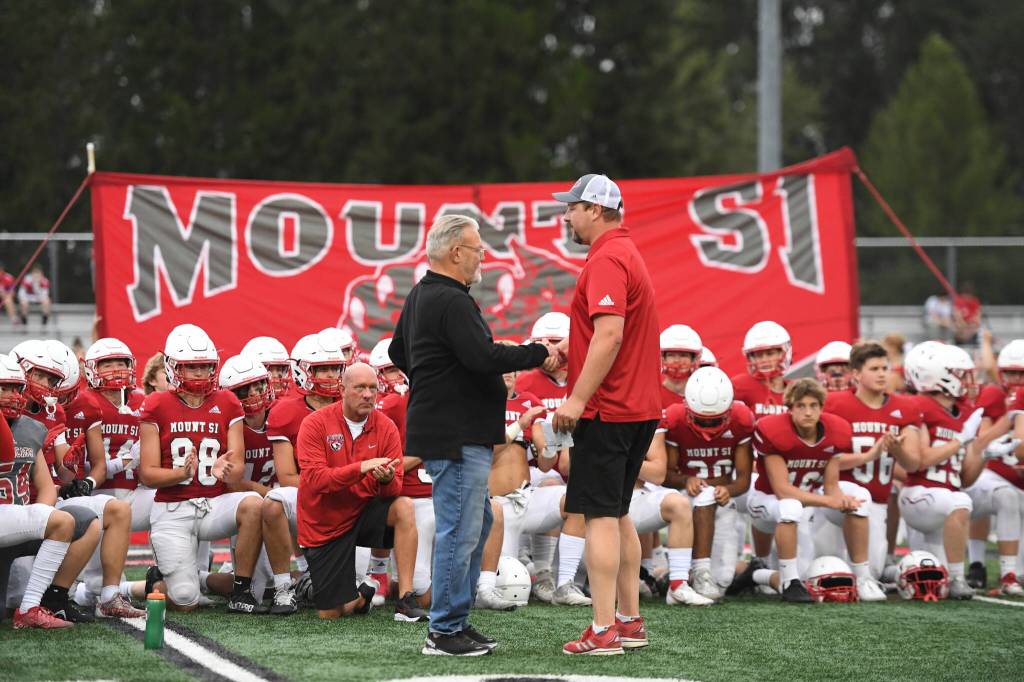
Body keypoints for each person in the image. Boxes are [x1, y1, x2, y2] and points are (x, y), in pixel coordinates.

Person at [389, 214, 552, 657]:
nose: (484, 256)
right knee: (461, 531)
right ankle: (442, 631)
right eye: (478, 248)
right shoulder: (451, 300)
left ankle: (455, 620)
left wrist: (435, 383)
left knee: (474, 524)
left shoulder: (423, 294)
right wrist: (541, 353)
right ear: (456, 251)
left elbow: (396, 350)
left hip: (452, 430)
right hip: (457, 434)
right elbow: (483, 356)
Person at [550, 174, 661, 656]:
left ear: (595, 209)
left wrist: (575, 399)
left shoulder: (607, 257)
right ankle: (629, 621)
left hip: (608, 409)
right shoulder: (625, 251)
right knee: (618, 516)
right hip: (636, 406)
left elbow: (610, 335)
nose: (566, 215)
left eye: (572, 207)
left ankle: (602, 630)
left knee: (598, 516)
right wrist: (570, 351)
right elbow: (612, 337)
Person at [295, 362, 426, 622]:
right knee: (329, 614)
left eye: (372, 388)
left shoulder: (385, 426)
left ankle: (405, 598)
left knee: (404, 506)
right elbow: (315, 480)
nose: (368, 394)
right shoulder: (315, 423)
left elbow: (395, 487)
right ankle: (358, 598)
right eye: (360, 388)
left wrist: (387, 479)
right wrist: (361, 468)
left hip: (364, 511)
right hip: (326, 521)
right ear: (342, 389)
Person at [728, 379, 863, 603]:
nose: (808, 412)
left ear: (821, 408)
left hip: (800, 508)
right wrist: (829, 502)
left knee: (804, 573)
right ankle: (790, 584)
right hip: (765, 503)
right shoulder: (774, 431)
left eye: (813, 405)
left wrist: (844, 501)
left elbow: (831, 486)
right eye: (801, 406)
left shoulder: (835, 433)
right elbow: (782, 490)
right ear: (790, 408)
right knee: (790, 506)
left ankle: (757, 574)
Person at [823, 342, 921, 579]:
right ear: (856, 374)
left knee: (872, 572)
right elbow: (824, 460)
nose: (881, 374)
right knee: (824, 568)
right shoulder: (835, 404)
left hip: (877, 502)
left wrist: (897, 450)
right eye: (874, 368)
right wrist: (869, 455)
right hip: (837, 497)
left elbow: (913, 465)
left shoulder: (903, 407)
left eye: (884, 368)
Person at [899, 342, 985, 599]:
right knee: (960, 501)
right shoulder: (918, 406)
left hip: (944, 503)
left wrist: (985, 453)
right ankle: (960, 577)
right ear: (938, 375)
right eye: (960, 373)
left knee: (933, 582)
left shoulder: (965, 412)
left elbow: (966, 477)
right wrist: (960, 440)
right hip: (919, 494)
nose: (967, 380)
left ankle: (896, 573)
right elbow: (921, 459)